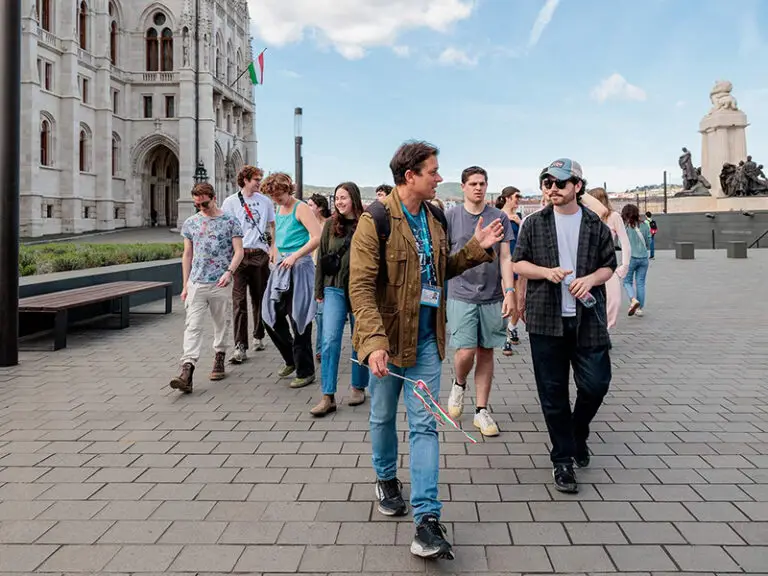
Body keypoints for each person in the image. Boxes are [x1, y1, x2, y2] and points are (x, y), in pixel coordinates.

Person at [349, 140, 504, 560]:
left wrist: (477, 246)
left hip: (426, 342)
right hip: (385, 341)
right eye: (433, 171)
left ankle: (427, 521)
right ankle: (385, 479)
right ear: (410, 176)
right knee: (382, 417)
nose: (440, 177)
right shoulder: (375, 220)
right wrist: (374, 341)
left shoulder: (434, 215)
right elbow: (360, 287)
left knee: (425, 426)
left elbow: (443, 268)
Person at [512, 158, 616, 494]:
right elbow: (519, 263)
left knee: (596, 384)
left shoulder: (594, 225)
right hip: (546, 319)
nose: (552, 189)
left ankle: (577, 432)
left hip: (588, 318)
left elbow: (608, 266)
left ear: (577, 187)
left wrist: (589, 279)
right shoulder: (534, 223)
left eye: (560, 183)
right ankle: (563, 460)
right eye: (547, 183)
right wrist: (546, 272)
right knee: (553, 394)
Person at [445, 166, 516, 437]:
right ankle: (459, 381)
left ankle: (481, 410)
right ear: (463, 187)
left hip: (491, 295)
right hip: (460, 292)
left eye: (482, 183)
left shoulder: (498, 217)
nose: (478, 187)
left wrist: (510, 291)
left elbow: (506, 257)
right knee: (466, 350)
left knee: (486, 351)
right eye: (473, 183)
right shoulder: (451, 216)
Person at [170, 182, 244, 393]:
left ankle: (219, 356)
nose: (201, 207)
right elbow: (187, 254)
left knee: (221, 323)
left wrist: (229, 272)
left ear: (214, 198)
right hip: (196, 282)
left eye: (204, 203)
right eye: (198, 205)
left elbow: (239, 251)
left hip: (220, 282)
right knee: (192, 326)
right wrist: (185, 285)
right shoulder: (191, 223)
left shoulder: (230, 221)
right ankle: (187, 369)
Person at [311, 182, 370, 416]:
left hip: (360, 290)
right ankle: (328, 395)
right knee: (329, 340)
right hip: (333, 288)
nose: (339, 201)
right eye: (336, 198)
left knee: (359, 339)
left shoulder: (366, 224)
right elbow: (322, 259)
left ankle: (358, 386)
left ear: (353, 198)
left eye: (343, 197)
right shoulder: (329, 226)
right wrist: (319, 291)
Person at [260, 173, 322, 388]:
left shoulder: (301, 207)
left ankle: (305, 371)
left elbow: (317, 237)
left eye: (279, 195)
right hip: (281, 267)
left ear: (288, 190)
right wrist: (273, 249)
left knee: (299, 318)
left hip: (300, 268)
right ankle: (291, 359)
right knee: (270, 315)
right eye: (273, 196)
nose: (276, 199)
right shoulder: (278, 208)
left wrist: (295, 255)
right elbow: (277, 233)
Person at [221, 165, 276, 362]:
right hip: (239, 256)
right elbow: (225, 229)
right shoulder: (230, 202)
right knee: (238, 301)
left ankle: (258, 335)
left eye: (260, 178)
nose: (259, 182)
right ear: (245, 180)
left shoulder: (265, 202)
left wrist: (273, 249)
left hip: (259, 254)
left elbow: (272, 226)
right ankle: (240, 346)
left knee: (259, 298)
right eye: (256, 179)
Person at [583, 188, 631, 330]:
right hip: (589, 265)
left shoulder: (614, 216)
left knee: (614, 300)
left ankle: (606, 329)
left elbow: (624, 241)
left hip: (608, 264)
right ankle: (595, 330)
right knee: (589, 299)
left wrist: (625, 265)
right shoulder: (587, 217)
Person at [496, 186, 523, 353]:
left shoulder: (519, 217)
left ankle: (512, 327)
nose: (518, 199)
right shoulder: (497, 215)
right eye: (515, 196)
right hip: (505, 262)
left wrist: (520, 223)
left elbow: (525, 238)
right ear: (507, 198)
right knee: (507, 300)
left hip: (519, 261)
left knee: (519, 302)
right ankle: (504, 337)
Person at [307, 194, 332, 362]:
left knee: (321, 312)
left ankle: (321, 349)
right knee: (313, 312)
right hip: (308, 269)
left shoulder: (328, 225)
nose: (307, 208)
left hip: (323, 271)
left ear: (320, 207)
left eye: (310, 205)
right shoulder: (306, 224)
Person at [622, 204, 652, 317]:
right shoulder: (644, 225)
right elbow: (649, 241)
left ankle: (633, 300)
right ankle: (639, 309)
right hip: (644, 258)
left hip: (631, 258)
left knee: (627, 282)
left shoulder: (625, 227)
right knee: (640, 283)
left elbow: (621, 243)